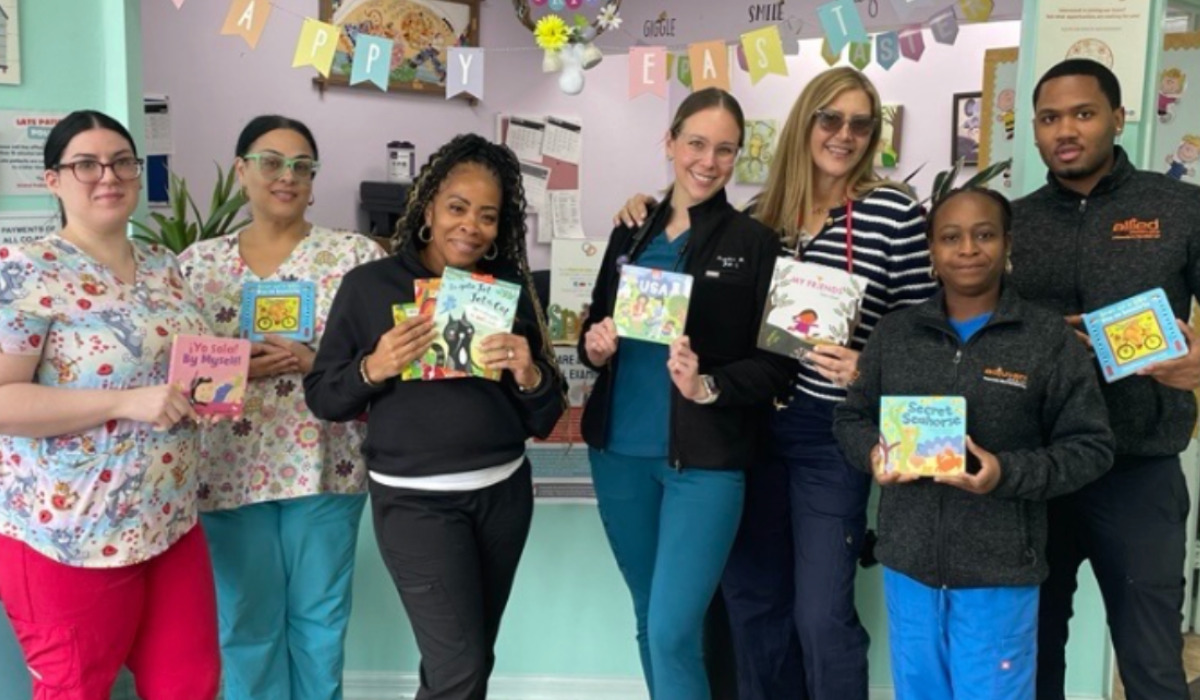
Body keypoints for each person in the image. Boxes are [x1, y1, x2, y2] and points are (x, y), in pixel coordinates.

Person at [615, 67, 937, 700]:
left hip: (830, 434)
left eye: (859, 124)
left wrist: (867, 365)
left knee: (821, 614)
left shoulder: (894, 212)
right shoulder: (760, 219)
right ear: (805, 122)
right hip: (750, 429)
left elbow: (927, 334)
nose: (843, 135)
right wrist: (642, 210)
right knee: (753, 603)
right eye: (830, 118)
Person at [304, 133, 565, 700]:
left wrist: (530, 373)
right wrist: (375, 366)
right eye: (457, 207)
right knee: (461, 668)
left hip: (502, 496)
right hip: (415, 502)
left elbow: (545, 416)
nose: (472, 225)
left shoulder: (508, 292)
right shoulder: (369, 287)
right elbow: (324, 397)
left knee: (465, 663)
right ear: (428, 209)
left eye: (488, 215)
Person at [833, 187, 1114, 700]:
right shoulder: (895, 334)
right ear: (931, 251)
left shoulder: (1046, 338)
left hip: (1000, 573)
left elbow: (1091, 446)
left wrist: (1004, 473)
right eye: (950, 237)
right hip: (910, 569)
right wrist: (874, 454)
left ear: (1008, 243)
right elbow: (851, 417)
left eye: (984, 235)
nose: (968, 249)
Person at [580, 87, 795, 700]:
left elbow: (778, 366)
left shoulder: (755, 244)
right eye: (696, 144)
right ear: (669, 143)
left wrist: (707, 384)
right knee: (650, 618)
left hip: (705, 464)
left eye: (725, 150)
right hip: (619, 451)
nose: (708, 161)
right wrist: (595, 346)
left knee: (675, 628)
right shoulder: (630, 230)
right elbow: (597, 329)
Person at [0, 110, 219, 699]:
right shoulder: (25, 272)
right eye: (86, 164)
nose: (108, 176)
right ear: (53, 180)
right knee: (77, 688)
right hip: (71, 529)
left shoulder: (163, 266)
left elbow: (170, 368)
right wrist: (126, 401)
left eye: (122, 161)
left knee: (190, 686)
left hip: (169, 520)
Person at [178, 115, 386, 700]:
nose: (286, 176)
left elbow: (380, 360)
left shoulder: (354, 259)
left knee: (320, 622)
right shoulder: (195, 267)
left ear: (315, 180)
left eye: (301, 166)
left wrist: (314, 359)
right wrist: (232, 362)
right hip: (226, 471)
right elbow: (174, 371)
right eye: (271, 162)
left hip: (324, 467)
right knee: (245, 624)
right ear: (242, 170)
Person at [1011, 59, 1200, 700]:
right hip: (1036, 474)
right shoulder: (1010, 225)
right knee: (1030, 660)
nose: (1066, 129)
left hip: (1138, 472)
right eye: (1050, 117)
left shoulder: (1178, 206)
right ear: (1034, 131)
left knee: (1151, 667)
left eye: (1083, 113)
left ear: (1118, 119)